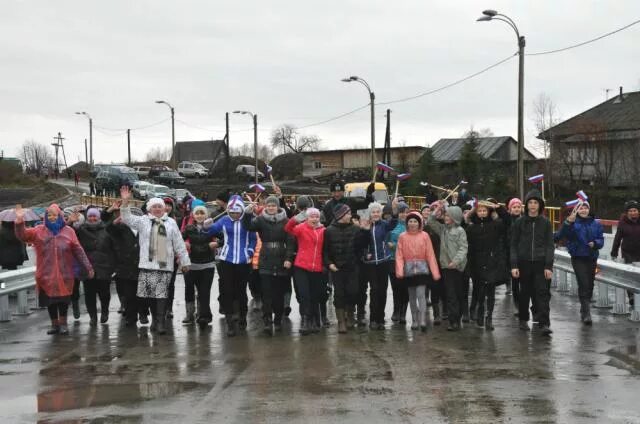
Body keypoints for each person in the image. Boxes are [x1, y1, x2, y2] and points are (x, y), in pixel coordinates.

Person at [119, 186, 190, 335]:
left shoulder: (171, 223)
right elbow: (127, 218)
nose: (157, 209)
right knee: (150, 296)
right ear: (149, 209)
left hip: (165, 265)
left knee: (162, 294)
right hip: (147, 264)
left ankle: (160, 322)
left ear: (164, 209)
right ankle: (154, 320)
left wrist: (185, 261)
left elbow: (179, 244)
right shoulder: (143, 221)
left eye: (160, 207)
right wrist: (125, 203)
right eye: (154, 207)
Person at [14, 204, 94, 335]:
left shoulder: (69, 231)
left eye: (54, 215)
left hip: (65, 274)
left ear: (60, 216)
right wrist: (19, 222)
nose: (51, 217)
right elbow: (23, 236)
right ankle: (54, 324)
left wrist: (88, 267)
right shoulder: (39, 230)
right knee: (50, 301)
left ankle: (63, 323)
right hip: (45, 273)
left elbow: (79, 251)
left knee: (63, 300)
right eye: (49, 215)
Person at [204, 195, 256, 337]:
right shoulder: (224, 220)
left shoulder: (247, 221)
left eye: (237, 212)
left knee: (241, 291)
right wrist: (206, 225)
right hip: (226, 259)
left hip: (243, 261)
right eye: (231, 212)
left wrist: (250, 252)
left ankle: (242, 317)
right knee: (227, 290)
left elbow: (253, 239)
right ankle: (229, 322)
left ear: (242, 211)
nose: (234, 214)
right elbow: (211, 231)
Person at [243, 192, 291, 335]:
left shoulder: (286, 221)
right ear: (265, 206)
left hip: (281, 259)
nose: (271, 207)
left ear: (277, 207)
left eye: (273, 205)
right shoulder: (260, 220)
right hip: (265, 259)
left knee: (279, 292)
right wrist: (247, 214)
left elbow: (290, 242)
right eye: (268, 205)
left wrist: (288, 258)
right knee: (266, 293)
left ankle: (278, 319)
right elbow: (248, 227)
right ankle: (267, 321)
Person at [510, 189, 554, 335]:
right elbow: (513, 245)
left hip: (541, 263)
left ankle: (544, 323)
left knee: (542, 294)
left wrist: (549, 266)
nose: (533, 205)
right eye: (530, 202)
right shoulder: (519, 222)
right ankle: (523, 319)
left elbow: (550, 245)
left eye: (536, 202)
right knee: (525, 293)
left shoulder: (546, 223)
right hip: (524, 262)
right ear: (526, 205)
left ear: (540, 205)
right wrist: (514, 265)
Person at [555, 201, 604, 325]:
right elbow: (562, 234)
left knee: (590, 284)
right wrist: (568, 222)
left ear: (589, 210)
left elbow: (601, 240)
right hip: (578, 257)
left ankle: (584, 308)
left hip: (592, 257)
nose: (583, 210)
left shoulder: (596, 224)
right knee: (583, 283)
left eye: (585, 208)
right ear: (577, 211)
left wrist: (596, 243)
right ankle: (587, 313)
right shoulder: (573, 223)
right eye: (581, 208)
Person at [69, 207, 116, 326]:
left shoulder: (107, 229)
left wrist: (113, 266)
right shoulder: (81, 230)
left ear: (99, 217)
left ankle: (105, 311)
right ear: (86, 217)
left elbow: (113, 248)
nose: (92, 218)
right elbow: (68, 233)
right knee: (89, 294)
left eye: (94, 216)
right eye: (90, 216)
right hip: (88, 267)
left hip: (104, 266)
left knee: (104, 293)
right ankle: (93, 317)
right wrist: (70, 222)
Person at [395, 211, 441, 332]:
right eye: (410, 221)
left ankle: (422, 320)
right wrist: (399, 270)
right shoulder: (402, 236)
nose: (413, 223)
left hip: (422, 269)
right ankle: (414, 319)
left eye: (415, 221)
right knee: (412, 296)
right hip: (409, 270)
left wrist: (435, 272)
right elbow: (399, 255)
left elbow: (430, 255)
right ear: (407, 223)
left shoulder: (425, 236)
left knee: (421, 294)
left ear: (419, 223)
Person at [465, 200, 507, 330]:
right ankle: (480, 313)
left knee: (491, 292)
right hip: (477, 262)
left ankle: (489, 317)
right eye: (480, 211)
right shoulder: (472, 228)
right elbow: (468, 242)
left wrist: (498, 208)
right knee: (480, 291)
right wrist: (472, 211)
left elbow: (506, 221)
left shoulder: (495, 224)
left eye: (484, 210)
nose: (482, 213)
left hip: (491, 261)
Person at [427, 201, 468, 331]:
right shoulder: (442, 230)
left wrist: (455, 261)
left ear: (455, 217)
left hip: (458, 267)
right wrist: (438, 209)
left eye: (449, 216)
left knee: (459, 293)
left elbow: (463, 248)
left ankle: (459, 316)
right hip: (446, 268)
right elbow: (430, 221)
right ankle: (453, 321)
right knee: (450, 294)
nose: (446, 218)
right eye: (445, 216)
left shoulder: (460, 231)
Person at [323, 203, 364, 333]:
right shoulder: (329, 230)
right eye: (348, 213)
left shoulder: (355, 229)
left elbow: (360, 247)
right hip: (337, 268)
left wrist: (365, 231)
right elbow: (325, 251)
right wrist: (329, 264)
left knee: (353, 292)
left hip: (352, 267)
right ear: (341, 215)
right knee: (339, 294)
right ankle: (341, 321)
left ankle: (350, 315)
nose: (350, 215)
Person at [285, 207, 325, 335]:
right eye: (312, 217)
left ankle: (314, 320)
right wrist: (294, 219)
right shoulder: (301, 228)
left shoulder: (323, 230)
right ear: (307, 218)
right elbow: (287, 229)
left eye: (316, 217)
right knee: (304, 294)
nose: (314, 219)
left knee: (314, 296)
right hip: (301, 266)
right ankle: (305, 320)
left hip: (317, 267)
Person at [359, 200, 398, 330]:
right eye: (373, 212)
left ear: (381, 213)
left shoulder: (384, 224)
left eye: (377, 212)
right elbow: (361, 243)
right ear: (370, 214)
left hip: (384, 261)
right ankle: (373, 319)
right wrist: (365, 253)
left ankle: (381, 319)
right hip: (370, 263)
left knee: (383, 290)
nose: (375, 214)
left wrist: (394, 211)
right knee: (374, 290)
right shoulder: (366, 225)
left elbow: (393, 224)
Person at [103, 202, 141, 328]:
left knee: (142, 295)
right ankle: (131, 318)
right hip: (126, 266)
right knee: (129, 294)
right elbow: (108, 228)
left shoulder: (144, 229)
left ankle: (143, 313)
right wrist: (113, 221)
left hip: (142, 266)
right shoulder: (121, 228)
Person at [182, 199, 218, 330]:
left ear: (206, 215)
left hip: (207, 265)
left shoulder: (211, 228)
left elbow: (224, 238)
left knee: (204, 292)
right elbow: (178, 238)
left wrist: (217, 244)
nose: (199, 216)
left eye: (202, 213)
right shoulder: (189, 228)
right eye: (197, 213)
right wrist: (184, 244)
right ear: (193, 215)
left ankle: (204, 316)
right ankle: (189, 314)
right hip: (191, 265)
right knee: (189, 290)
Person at [611, 200, 640, 309]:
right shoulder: (623, 223)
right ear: (627, 212)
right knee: (630, 276)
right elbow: (617, 239)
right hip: (628, 253)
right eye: (631, 211)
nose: (633, 212)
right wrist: (614, 253)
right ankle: (632, 297)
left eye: (635, 210)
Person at [388, 202, 410, 325]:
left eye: (406, 212)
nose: (404, 215)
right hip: (393, 260)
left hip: (407, 261)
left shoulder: (411, 226)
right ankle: (396, 310)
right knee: (396, 287)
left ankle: (403, 312)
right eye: (402, 212)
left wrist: (395, 245)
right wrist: (388, 244)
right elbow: (386, 239)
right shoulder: (392, 224)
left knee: (405, 288)